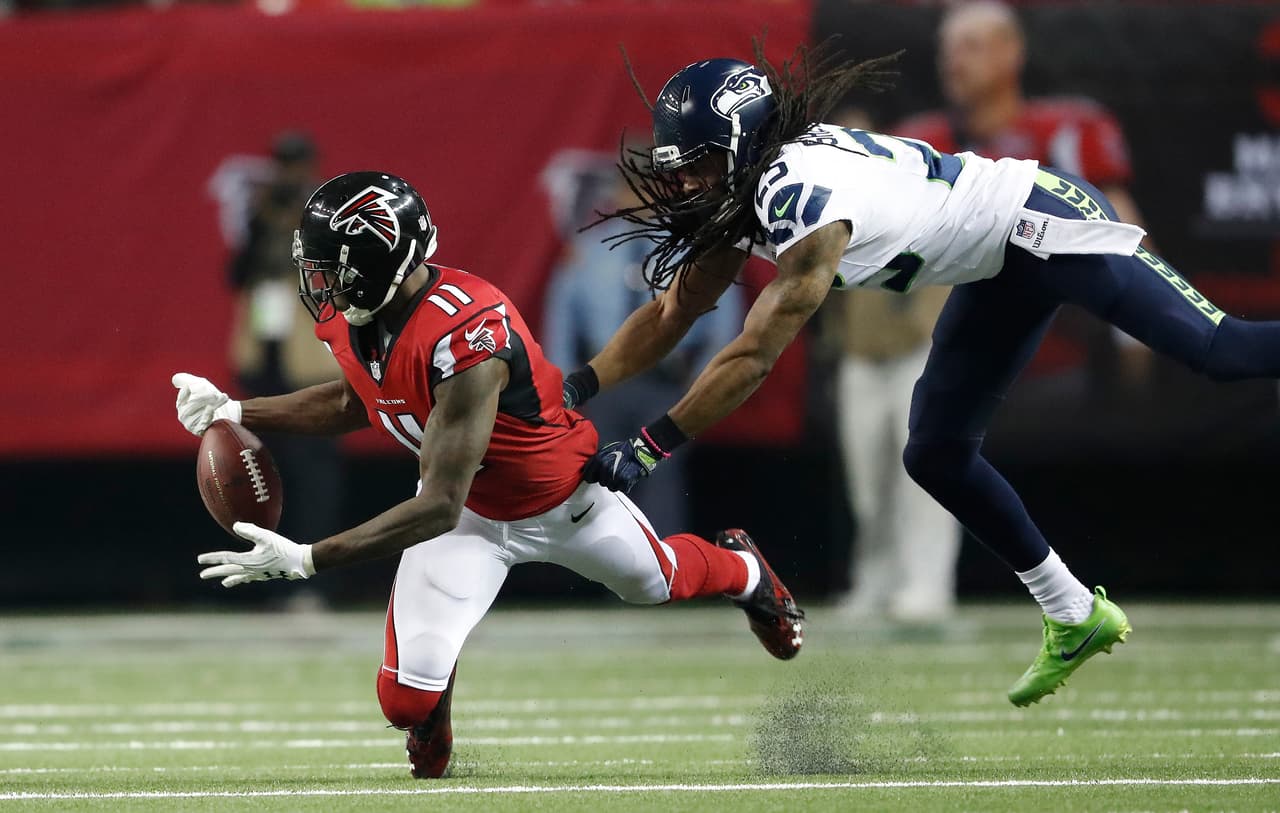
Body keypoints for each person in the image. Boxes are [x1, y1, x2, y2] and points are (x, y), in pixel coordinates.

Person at [562, 45, 1280, 708]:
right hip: (996, 262)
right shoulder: (747, 189)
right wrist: (579, 386)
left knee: (1223, 349)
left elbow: (753, 355)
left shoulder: (800, 194)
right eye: (678, 166)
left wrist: (653, 444)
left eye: (699, 162)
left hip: (1041, 221)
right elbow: (671, 314)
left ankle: (1071, 611)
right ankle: (1074, 614)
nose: (685, 182)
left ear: (744, 144)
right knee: (934, 453)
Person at [171, 171, 804, 779]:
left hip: (561, 504)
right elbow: (353, 400)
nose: (316, 283)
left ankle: (745, 571)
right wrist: (234, 409)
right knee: (403, 703)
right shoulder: (358, 315)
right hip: (472, 520)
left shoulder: (468, 335)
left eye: (328, 267)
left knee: (656, 581)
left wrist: (310, 559)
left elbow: (439, 504)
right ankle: (432, 705)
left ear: (375, 267)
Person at [894, 0, 1151, 394]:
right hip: (939, 365)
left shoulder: (1066, 130)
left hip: (1050, 365)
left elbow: (1122, 234)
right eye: (946, 50)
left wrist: (1135, 335)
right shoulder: (919, 141)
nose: (953, 62)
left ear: (1011, 52)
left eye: (970, 47)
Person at [543, 169, 743, 534]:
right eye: (629, 186)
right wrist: (564, 389)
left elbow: (725, 322)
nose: (638, 196)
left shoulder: (698, 251)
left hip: (668, 382)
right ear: (615, 192)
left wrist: (703, 381)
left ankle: (662, 572)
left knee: (662, 473)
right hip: (605, 382)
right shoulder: (589, 250)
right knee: (598, 477)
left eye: (650, 186)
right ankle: (608, 571)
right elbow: (562, 317)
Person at [822, 107, 961, 623]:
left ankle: (928, 584)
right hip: (860, 360)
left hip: (915, 355)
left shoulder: (916, 193)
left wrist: (936, 334)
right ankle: (875, 579)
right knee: (866, 484)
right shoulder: (825, 207)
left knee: (922, 474)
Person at [226, 131, 346, 573]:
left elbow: (334, 271)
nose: (291, 174)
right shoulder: (263, 211)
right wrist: (262, 221)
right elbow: (237, 274)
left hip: (312, 357)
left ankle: (315, 568)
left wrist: (303, 217)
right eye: (284, 164)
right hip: (268, 354)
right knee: (267, 466)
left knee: (313, 466)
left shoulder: (325, 212)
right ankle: (267, 565)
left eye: (298, 165)